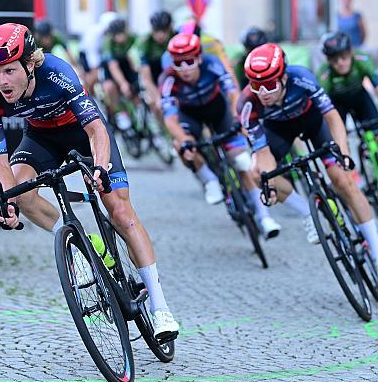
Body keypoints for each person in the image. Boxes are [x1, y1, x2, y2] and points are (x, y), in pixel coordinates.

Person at [0, 23, 179, 339]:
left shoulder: (57, 72)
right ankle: (81, 246)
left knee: (120, 212)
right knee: (22, 191)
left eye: (9, 71)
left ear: (30, 63)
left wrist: (98, 168)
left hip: (83, 133)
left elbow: (96, 130)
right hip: (41, 138)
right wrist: (8, 201)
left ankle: (160, 307)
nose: (1, 81)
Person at [238, 43, 378, 259]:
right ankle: (308, 213)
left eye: (269, 85)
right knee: (258, 175)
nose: (263, 93)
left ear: (283, 78)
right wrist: (269, 181)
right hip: (278, 131)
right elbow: (262, 151)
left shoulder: (301, 78)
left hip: (313, 123)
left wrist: (342, 151)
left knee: (343, 181)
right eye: (257, 86)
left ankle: (376, 251)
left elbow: (332, 117)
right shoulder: (247, 104)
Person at [159, 33, 281, 238]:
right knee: (182, 146)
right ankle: (209, 180)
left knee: (241, 162)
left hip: (219, 110)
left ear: (199, 58)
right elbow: (170, 119)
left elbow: (233, 94)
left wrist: (237, 117)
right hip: (190, 117)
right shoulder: (168, 79)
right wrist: (185, 139)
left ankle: (264, 217)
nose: (185, 68)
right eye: (179, 63)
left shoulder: (212, 63)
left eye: (190, 61)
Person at [317, 30, 378, 124]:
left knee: (375, 129)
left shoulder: (362, 59)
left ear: (351, 52)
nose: (340, 63)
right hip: (337, 102)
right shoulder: (324, 72)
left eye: (343, 56)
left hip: (360, 97)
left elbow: (376, 80)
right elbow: (321, 102)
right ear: (328, 60)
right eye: (334, 59)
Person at [100, 17, 142, 129]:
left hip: (126, 64)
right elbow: (113, 66)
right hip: (111, 67)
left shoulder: (132, 37)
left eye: (122, 33)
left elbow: (137, 57)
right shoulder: (107, 42)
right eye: (117, 35)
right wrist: (123, 83)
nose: (121, 37)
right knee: (109, 88)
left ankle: (139, 117)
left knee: (136, 93)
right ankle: (120, 112)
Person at [138, 11, 174, 122]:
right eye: (156, 31)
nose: (160, 35)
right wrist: (158, 98)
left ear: (170, 28)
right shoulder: (145, 42)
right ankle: (164, 131)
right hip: (153, 74)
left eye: (164, 31)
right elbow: (146, 78)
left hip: (171, 73)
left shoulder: (176, 36)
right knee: (155, 103)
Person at [78, 12, 119, 94]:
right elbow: (91, 52)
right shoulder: (95, 33)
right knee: (92, 76)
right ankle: (86, 95)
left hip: (98, 53)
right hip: (86, 53)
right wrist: (95, 69)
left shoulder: (107, 32)